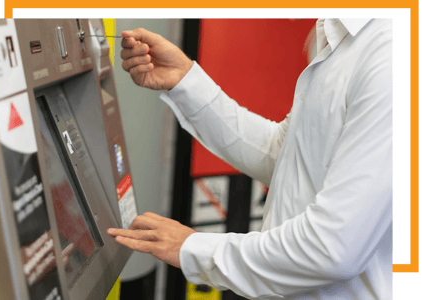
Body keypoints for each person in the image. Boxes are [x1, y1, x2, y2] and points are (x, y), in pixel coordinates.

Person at [107, 18, 393, 299]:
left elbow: (333, 248)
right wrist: (185, 81)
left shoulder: (391, 53)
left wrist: (190, 247)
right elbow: (286, 156)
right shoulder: (336, 34)